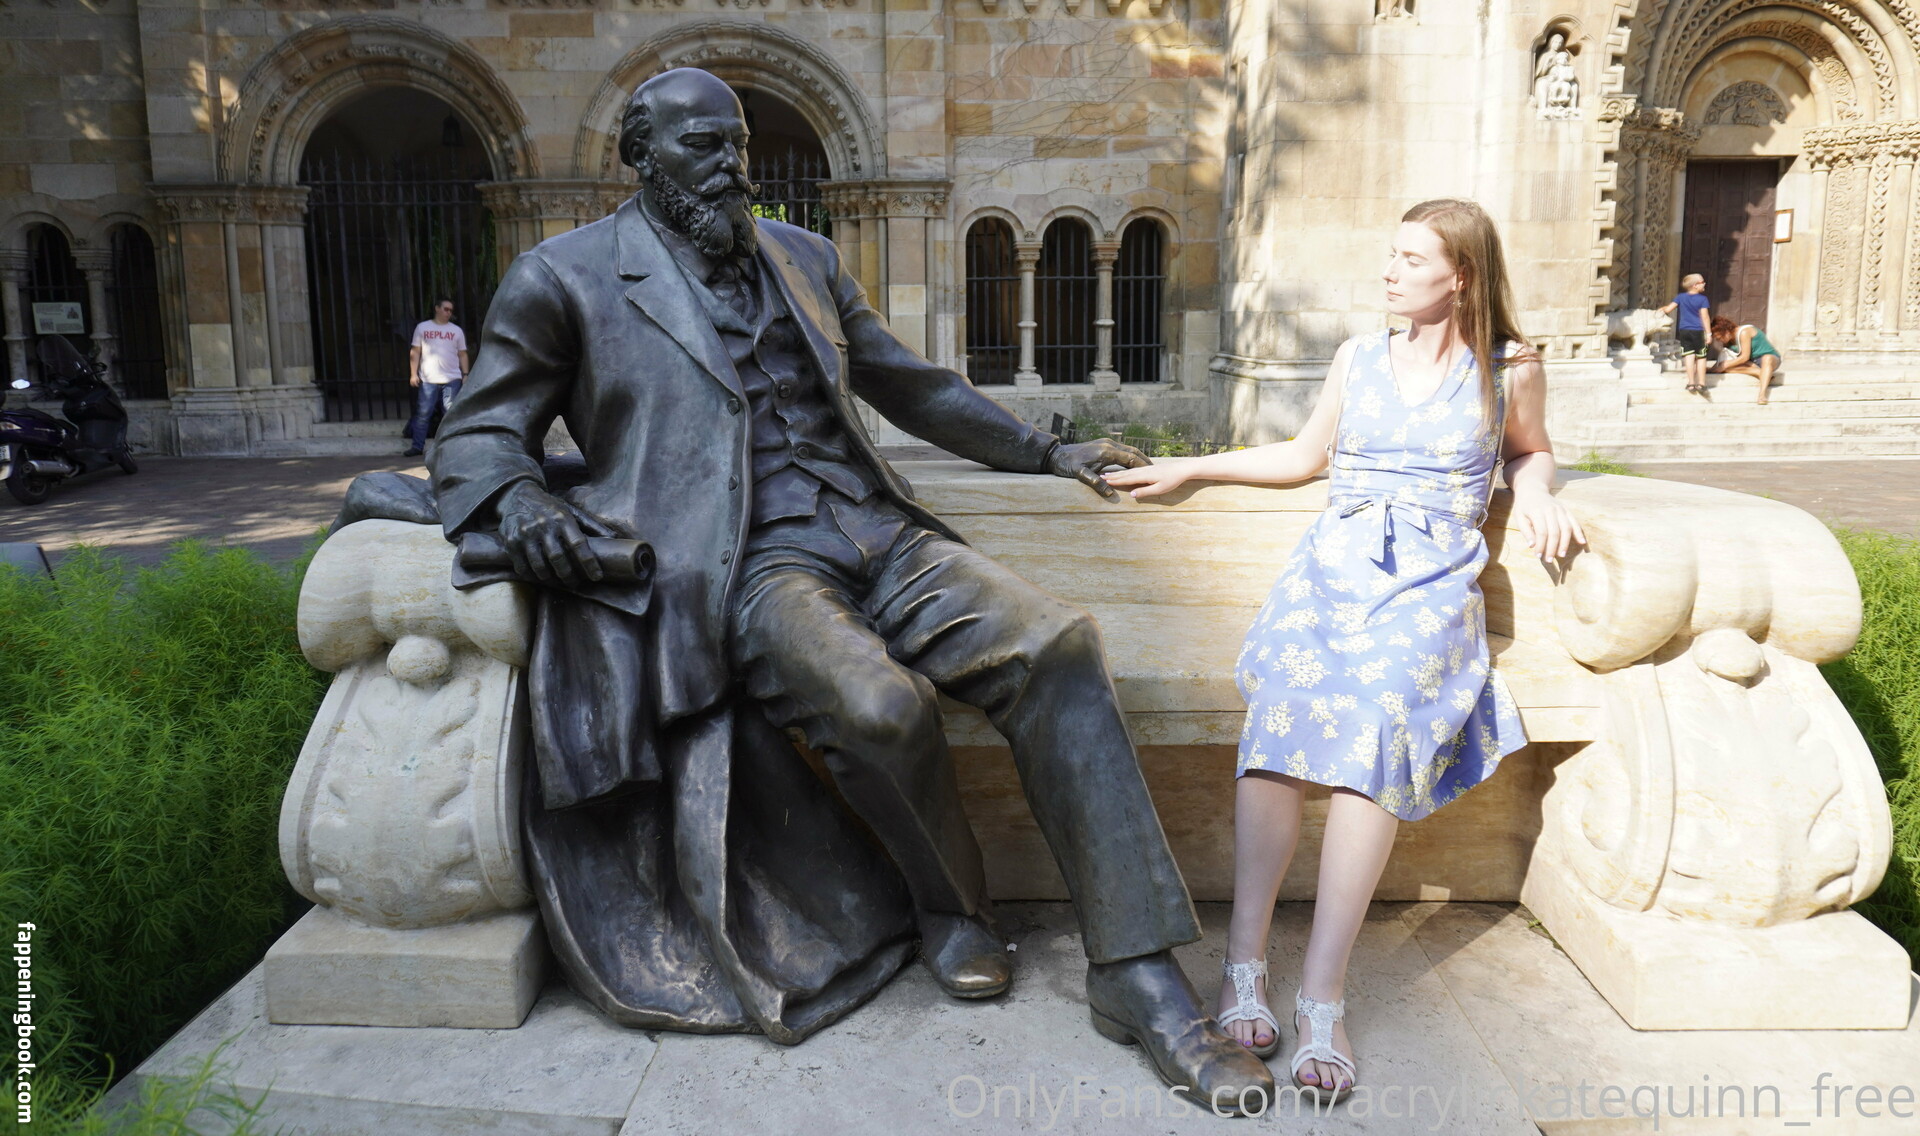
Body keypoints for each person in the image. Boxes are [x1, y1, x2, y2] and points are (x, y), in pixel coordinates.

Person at [429, 68, 1272, 1108]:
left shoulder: (806, 256)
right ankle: (951, 907)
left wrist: (1047, 451)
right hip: (746, 562)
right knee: (877, 706)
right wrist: (522, 505)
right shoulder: (564, 277)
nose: (731, 164)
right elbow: (478, 437)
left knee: (1057, 643)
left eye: (738, 143)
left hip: (878, 530)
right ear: (641, 157)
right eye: (702, 145)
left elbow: (912, 386)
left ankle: (1136, 970)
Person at [1108, 198, 1585, 1104]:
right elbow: (1303, 456)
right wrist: (1194, 466)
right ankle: (1244, 965)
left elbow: (1529, 453)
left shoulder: (1510, 368)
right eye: (1392, 255)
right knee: (1280, 714)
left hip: (1430, 586)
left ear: (1462, 278)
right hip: (1331, 573)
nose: (1390, 272)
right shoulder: (1359, 357)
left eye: (1412, 259)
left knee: (1378, 722)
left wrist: (1537, 491)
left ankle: (1323, 995)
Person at [405, 298, 469, 456]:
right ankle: (417, 446)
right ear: (437, 308)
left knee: (450, 414)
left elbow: (462, 354)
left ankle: (451, 446)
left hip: (452, 378)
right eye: (446, 309)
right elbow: (415, 351)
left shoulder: (456, 331)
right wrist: (413, 374)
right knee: (423, 413)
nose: (449, 313)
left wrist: (465, 374)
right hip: (429, 378)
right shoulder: (423, 328)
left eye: (451, 310)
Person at [1657, 274, 1712, 395]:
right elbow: (1705, 317)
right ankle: (1701, 383)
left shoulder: (1680, 297)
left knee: (1688, 355)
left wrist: (1659, 310)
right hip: (1698, 330)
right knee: (1701, 357)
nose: (1704, 284)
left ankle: (1691, 383)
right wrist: (1709, 333)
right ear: (1695, 285)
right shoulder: (1702, 299)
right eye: (1702, 282)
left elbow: (1668, 309)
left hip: (1684, 330)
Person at [1709, 315, 1783, 405]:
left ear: (1726, 331)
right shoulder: (1728, 341)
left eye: (1719, 338)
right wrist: (1711, 369)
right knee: (1725, 367)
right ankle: (1760, 373)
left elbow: (1745, 357)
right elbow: (1722, 361)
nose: (1720, 341)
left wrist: (1725, 365)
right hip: (1752, 363)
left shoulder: (1744, 332)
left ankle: (1762, 395)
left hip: (1769, 359)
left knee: (1767, 358)